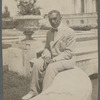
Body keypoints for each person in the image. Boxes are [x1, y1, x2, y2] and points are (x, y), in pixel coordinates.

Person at [22, 10, 76, 100]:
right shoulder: (49, 32)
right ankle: (33, 91)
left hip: (67, 60)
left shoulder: (69, 32)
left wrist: (53, 60)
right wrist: (47, 57)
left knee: (51, 67)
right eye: (50, 20)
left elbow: (69, 52)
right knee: (37, 64)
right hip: (52, 58)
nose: (52, 22)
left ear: (60, 18)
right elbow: (47, 48)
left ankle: (45, 95)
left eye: (55, 19)